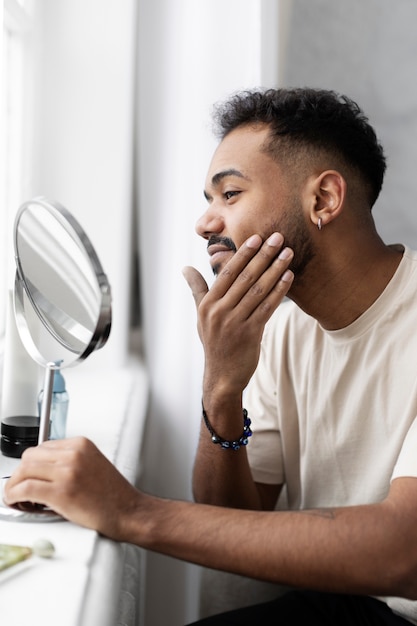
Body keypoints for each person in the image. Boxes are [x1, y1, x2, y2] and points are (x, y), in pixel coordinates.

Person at [4, 87, 417, 625]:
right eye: (208, 199)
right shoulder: (277, 320)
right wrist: (222, 385)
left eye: (229, 194)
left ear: (323, 200)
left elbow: (403, 553)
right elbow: (236, 523)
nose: (204, 223)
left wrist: (131, 512)